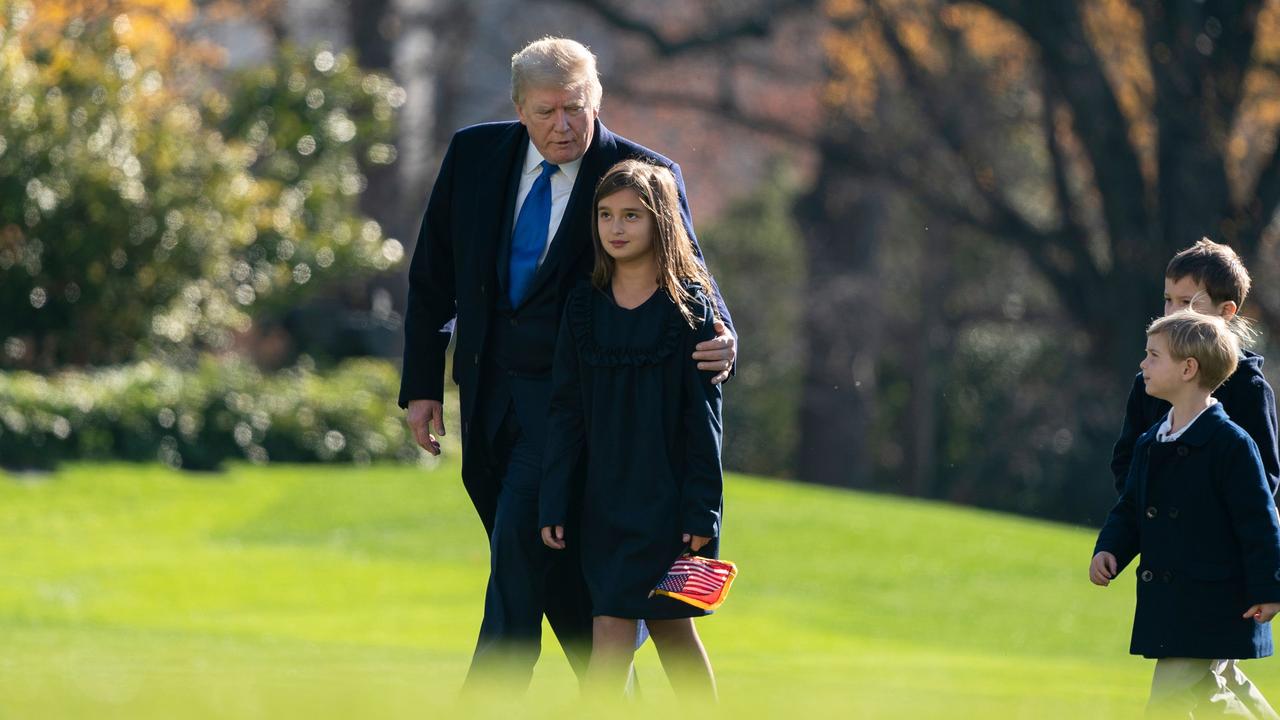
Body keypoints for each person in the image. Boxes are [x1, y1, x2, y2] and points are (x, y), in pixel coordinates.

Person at [396, 37, 737, 689]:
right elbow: (433, 277)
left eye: (576, 108)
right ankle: (612, 694)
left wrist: (727, 340)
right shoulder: (472, 156)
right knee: (549, 573)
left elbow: (694, 281)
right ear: (520, 108)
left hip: (579, 416)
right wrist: (422, 386)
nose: (564, 124)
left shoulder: (639, 173)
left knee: (518, 560)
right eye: (548, 111)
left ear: (596, 101)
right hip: (490, 405)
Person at [539, 159, 723, 700]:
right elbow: (566, 410)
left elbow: (704, 423)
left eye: (631, 216)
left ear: (661, 223)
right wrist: (555, 499)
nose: (615, 228)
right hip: (603, 504)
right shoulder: (582, 307)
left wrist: (702, 511)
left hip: (670, 507)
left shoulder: (689, 311)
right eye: (605, 215)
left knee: (673, 630)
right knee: (610, 630)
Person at [1091, 309, 1280, 718]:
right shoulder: (1150, 441)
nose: (1143, 364)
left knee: (1167, 702)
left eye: (1153, 355)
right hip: (1172, 605)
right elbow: (1131, 510)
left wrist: (1269, 588)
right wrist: (1110, 549)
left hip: (1217, 602)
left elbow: (1259, 522)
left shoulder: (1231, 444)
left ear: (1188, 369)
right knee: (1210, 699)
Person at [1110, 238, 1279, 497]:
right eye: (1168, 299)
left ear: (1225, 311)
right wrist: (1143, 511)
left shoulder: (1249, 388)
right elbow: (1125, 460)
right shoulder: (1148, 380)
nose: (1173, 313)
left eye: (1187, 302)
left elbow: (1263, 477)